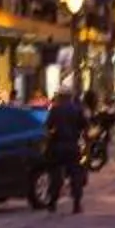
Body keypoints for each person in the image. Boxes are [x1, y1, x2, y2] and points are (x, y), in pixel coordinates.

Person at [44, 83, 87, 215]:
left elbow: (48, 127)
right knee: (75, 175)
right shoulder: (77, 110)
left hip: (57, 146)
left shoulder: (54, 110)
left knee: (55, 175)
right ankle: (76, 204)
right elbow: (84, 126)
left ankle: (52, 202)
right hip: (72, 146)